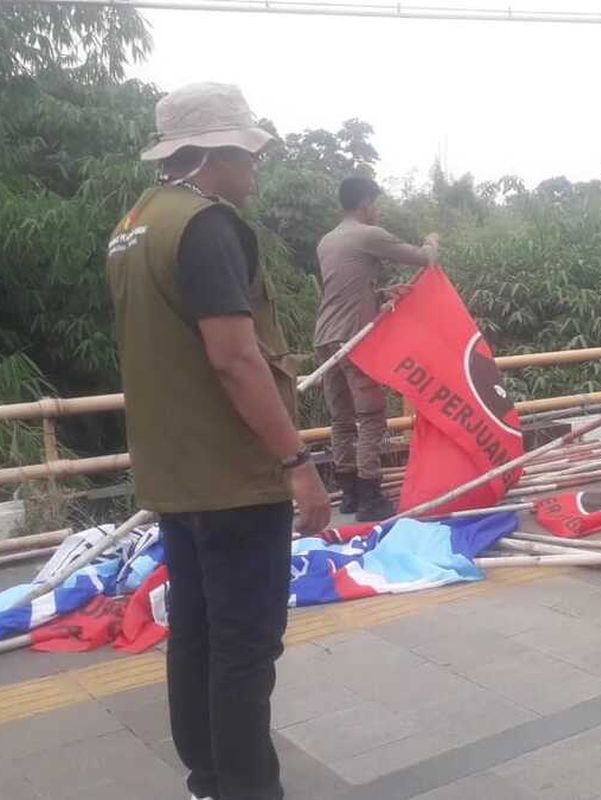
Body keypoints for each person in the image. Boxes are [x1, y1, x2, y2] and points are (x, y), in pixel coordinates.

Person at [106, 82, 331, 800]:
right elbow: (234, 357)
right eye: (248, 153)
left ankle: (208, 778)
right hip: (233, 477)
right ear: (210, 155)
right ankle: (244, 788)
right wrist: (297, 462)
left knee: (197, 633)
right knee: (244, 646)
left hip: (173, 473)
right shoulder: (208, 226)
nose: (255, 169)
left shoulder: (135, 223)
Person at [313, 176, 438, 521]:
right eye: (376, 203)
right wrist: (431, 240)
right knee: (370, 416)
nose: (377, 209)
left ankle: (349, 493)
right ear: (366, 202)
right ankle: (370, 495)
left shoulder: (327, 241)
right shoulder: (368, 234)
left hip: (325, 336)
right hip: (353, 339)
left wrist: (382, 295)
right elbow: (425, 260)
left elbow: (345, 289)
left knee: (341, 419)